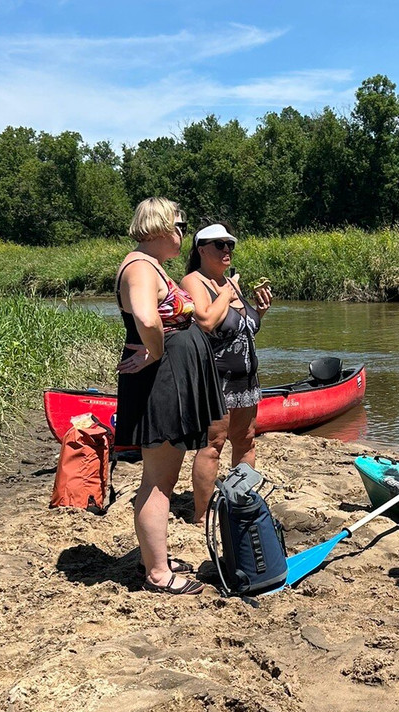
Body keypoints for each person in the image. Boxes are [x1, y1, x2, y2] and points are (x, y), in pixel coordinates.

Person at [115, 198, 227, 596]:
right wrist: (157, 351)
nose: (183, 231)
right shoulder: (140, 268)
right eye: (179, 224)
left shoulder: (150, 265)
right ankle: (158, 574)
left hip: (170, 378)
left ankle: (155, 559)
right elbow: (147, 318)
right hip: (160, 382)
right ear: (159, 226)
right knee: (159, 481)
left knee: (162, 477)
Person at [181, 223, 273, 524]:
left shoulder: (229, 284)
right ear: (201, 249)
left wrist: (258, 311)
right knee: (213, 445)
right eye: (219, 245)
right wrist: (228, 291)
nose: (226, 250)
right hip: (216, 381)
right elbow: (206, 320)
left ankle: (239, 502)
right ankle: (202, 514)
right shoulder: (195, 281)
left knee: (245, 440)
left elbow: (242, 327)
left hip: (246, 381)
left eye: (229, 244)